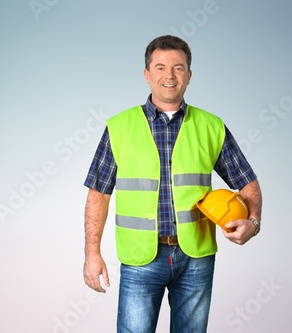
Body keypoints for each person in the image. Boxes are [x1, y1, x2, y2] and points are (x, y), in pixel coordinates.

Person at [82, 35, 262, 333]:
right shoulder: (119, 126)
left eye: (178, 68)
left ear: (189, 75)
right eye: (160, 67)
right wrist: (92, 254)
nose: (169, 75)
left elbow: (248, 183)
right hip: (141, 257)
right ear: (147, 74)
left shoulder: (211, 126)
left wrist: (253, 223)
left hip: (196, 259)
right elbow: (97, 195)